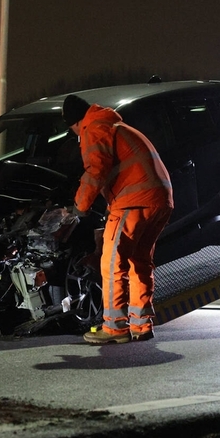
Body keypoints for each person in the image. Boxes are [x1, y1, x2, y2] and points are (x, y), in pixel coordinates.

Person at [63, 94, 174, 345]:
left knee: (112, 263)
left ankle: (115, 328)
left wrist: (79, 207)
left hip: (133, 200)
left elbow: (96, 169)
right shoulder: (115, 125)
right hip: (160, 200)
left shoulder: (94, 127)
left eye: (71, 129)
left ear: (75, 123)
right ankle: (141, 325)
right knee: (139, 262)